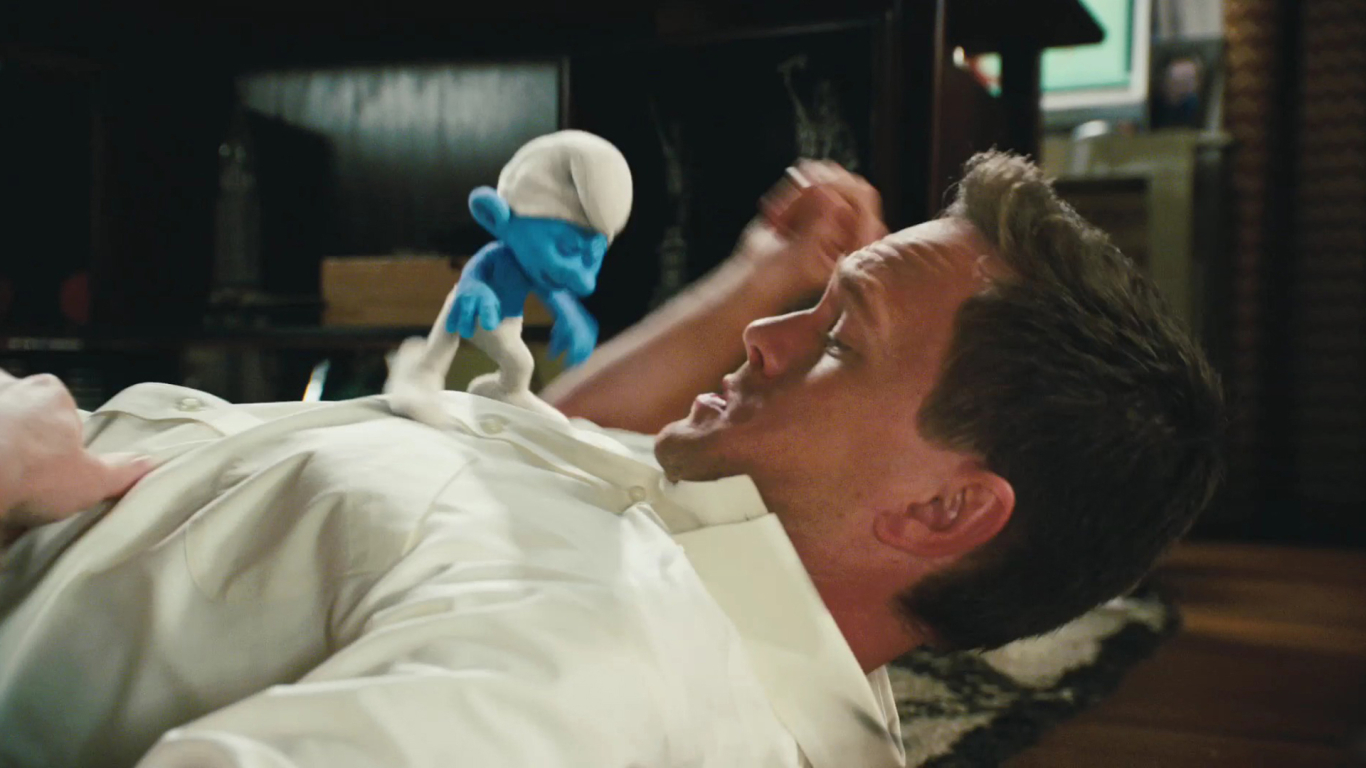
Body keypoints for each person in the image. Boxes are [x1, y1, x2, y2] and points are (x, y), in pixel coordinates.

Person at [0, 152, 1224, 768]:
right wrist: (759, 273)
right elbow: (548, 439)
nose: (765, 335)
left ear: (942, 510)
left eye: (838, 339)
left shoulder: (594, 675)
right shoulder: (704, 551)